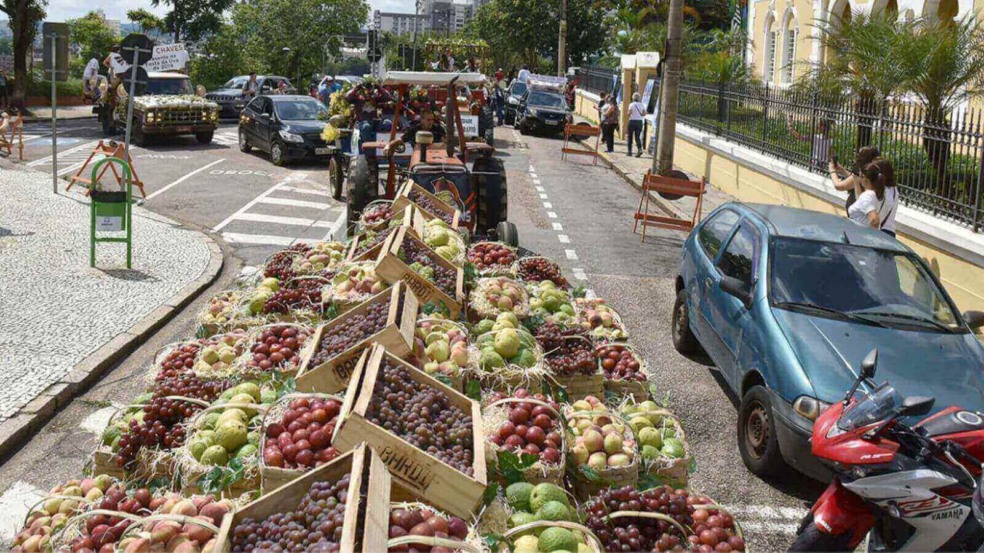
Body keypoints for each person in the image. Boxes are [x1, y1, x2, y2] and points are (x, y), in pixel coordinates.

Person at [847, 159, 898, 236]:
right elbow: (863, 202)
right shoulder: (887, 191)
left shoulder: (871, 194)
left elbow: (874, 220)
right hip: (885, 231)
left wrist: (871, 237)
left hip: (872, 233)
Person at [829, 146, 881, 215]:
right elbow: (854, 181)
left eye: (858, 155)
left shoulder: (861, 174)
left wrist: (832, 171)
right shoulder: (871, 174)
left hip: (857, 215)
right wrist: (843, 171)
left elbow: (838, 186)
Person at [627, 92, 646, 157]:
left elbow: (629, 113)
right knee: (637, 137)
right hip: (639, 122)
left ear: (633, 98)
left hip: (632, 121)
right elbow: (644, 114)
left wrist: (629, 113)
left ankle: (629, 152)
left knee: (630, 136)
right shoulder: (642, 105)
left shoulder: (631, 105)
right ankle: (639, 149)